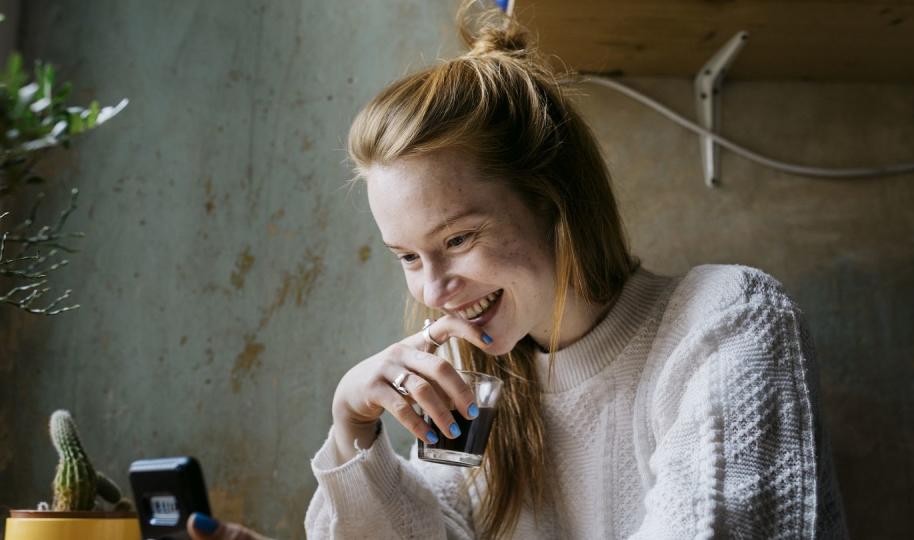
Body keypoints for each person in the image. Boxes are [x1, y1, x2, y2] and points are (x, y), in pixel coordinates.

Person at [207, 3, 848, 539]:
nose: (433, 291)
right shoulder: (476, 384)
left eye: (457, 238)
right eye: (407, 256)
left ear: (553, 203)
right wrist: (353, 429)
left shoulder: (727, 319)